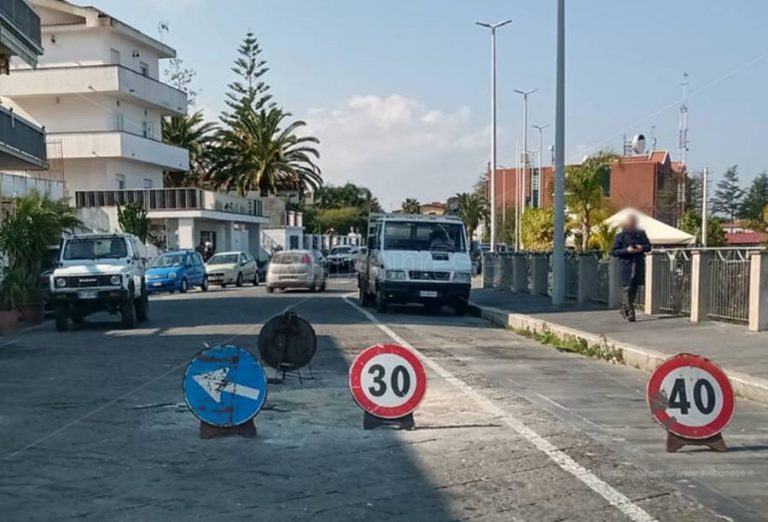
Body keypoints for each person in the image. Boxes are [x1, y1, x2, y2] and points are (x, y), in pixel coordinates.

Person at [611, 214, 651, 322]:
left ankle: (625, 307)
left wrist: (641, 247)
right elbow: (614, 251)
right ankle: (631, 313)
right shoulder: (620, 236)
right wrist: (627, 250)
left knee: (634, 289)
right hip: (626, 266)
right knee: (627, 289)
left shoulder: (641, 234)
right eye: (630, 222)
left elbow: (649, 246)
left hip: (638, 265)